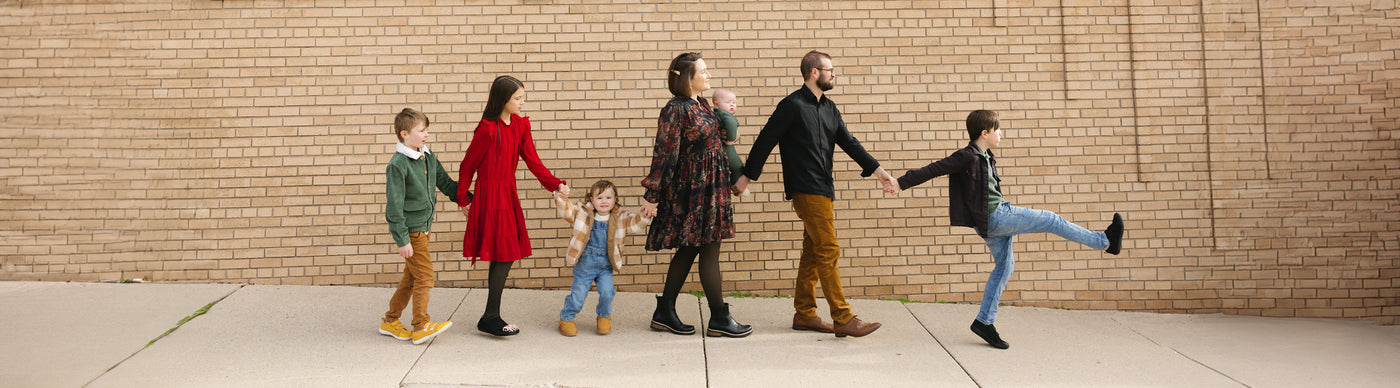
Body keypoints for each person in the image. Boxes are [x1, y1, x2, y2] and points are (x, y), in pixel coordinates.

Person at [893, 109, 1125, 350]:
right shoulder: (968, 155)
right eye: (997, 130)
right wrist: (900, 183)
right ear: (985, 133)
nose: (1001, 133)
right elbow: (935, 168)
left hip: (992, 220)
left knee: (1005, 267)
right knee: (1050, 219)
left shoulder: (985, 155)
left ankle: (984, 322)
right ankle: (1104, 241)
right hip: (996, 218)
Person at [731, 50, 897, 338]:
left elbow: (850, 143)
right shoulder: (792, 105)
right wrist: (747, 176)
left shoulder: (830, 108)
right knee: (829, 249)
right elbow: (766, 139)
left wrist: (878, 171)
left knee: (813, 252)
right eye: (830, 70)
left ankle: (805, 314)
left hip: (824, 187)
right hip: (805, 188)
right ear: (814, 72)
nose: (834, 75)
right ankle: (843, 317)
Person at [640, 52, 752, 338]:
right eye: (703, 71)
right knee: (708, 248)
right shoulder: (675, 109)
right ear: (688, 78)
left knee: (690, 249)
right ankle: (719, 318)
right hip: (693, 192)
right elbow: (664, 154)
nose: (708, 75)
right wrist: (652, 194)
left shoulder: (701, 104)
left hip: (712, 190)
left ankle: (665, 311)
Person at [458, 75, 571, 337]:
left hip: (507, 193)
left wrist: (555, 184)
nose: (522, 102)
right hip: (489, 194)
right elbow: (468, 165)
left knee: (505, 254)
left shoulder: (520, 126)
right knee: (504, 253)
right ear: (503, 100)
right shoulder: (486, 129)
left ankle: (490, 316)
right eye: (517, 98)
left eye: (523, 97)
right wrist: (463, 198)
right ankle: (491, 316)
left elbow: (533, 161)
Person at [380, 108, 459, 345]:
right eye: (421, 130)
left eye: (427, 130)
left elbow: (445, 182)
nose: (426, 134)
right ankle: (421, 325)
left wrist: (466, 199)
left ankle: (390, 320)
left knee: (411, 278)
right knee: (425, 277)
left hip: (424, 227)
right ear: (404, 134)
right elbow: (394, 206)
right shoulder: (398, 165)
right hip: (412, 231)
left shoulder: (427, 156)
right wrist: (402, 239)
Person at [551, 180, 652, 336]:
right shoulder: (582, 212)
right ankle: (567, 318)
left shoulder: (620, 217)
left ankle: (604, 317)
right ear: (591, 199)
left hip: (606, 265)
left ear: (615, 199)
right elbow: (567, 212)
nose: (604, 201)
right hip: (585, 264)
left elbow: (635, 224)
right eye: (599, 198)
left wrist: (646, 214)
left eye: (608, 198)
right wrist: (562, 198)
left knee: (607, 292)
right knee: (578, 295)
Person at [712, 89, 746, 195]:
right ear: (716, 104)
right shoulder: (726, 116)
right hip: (728, 148)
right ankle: (734, 185)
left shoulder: (716, 114)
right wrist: (731, 140)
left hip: (720, 148)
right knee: (738, 167)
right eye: (728, 102)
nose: (732, 104)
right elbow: (731, 124)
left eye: (734, 102)